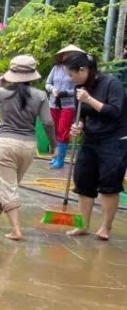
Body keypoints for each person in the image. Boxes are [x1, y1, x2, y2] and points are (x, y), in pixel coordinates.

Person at [0, 55, 56, 241]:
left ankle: (16, 230)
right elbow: (48, 123)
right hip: (27, 146)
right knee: (8, 183)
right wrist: (54, 145)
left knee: (7, 185)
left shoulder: (1, 93)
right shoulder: (40, 96)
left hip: (3, 143)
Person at [62, 49, 127, 240]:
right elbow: (81, 114)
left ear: (83, 70)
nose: (70, 79)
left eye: (72, 74)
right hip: (91, 139)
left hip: (114, 140)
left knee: (109, 183)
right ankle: (83, 225)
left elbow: (114, 112)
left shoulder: (111, 84)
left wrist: (89, 99)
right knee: (83, 180)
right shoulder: (80, 88)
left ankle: (106, 227)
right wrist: (78, 126)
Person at [46, 44, 82, 169]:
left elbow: (79, 88)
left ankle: (60, 160)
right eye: (65, 54)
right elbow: (48, 83)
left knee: (63, 130)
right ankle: (55, 156)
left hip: (68, 105)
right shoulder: (56, 68)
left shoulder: (77, 70)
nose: (66, 56)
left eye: (70, 54)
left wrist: (66, 93)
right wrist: (52, 89)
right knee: (55, 130)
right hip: (54, 103)